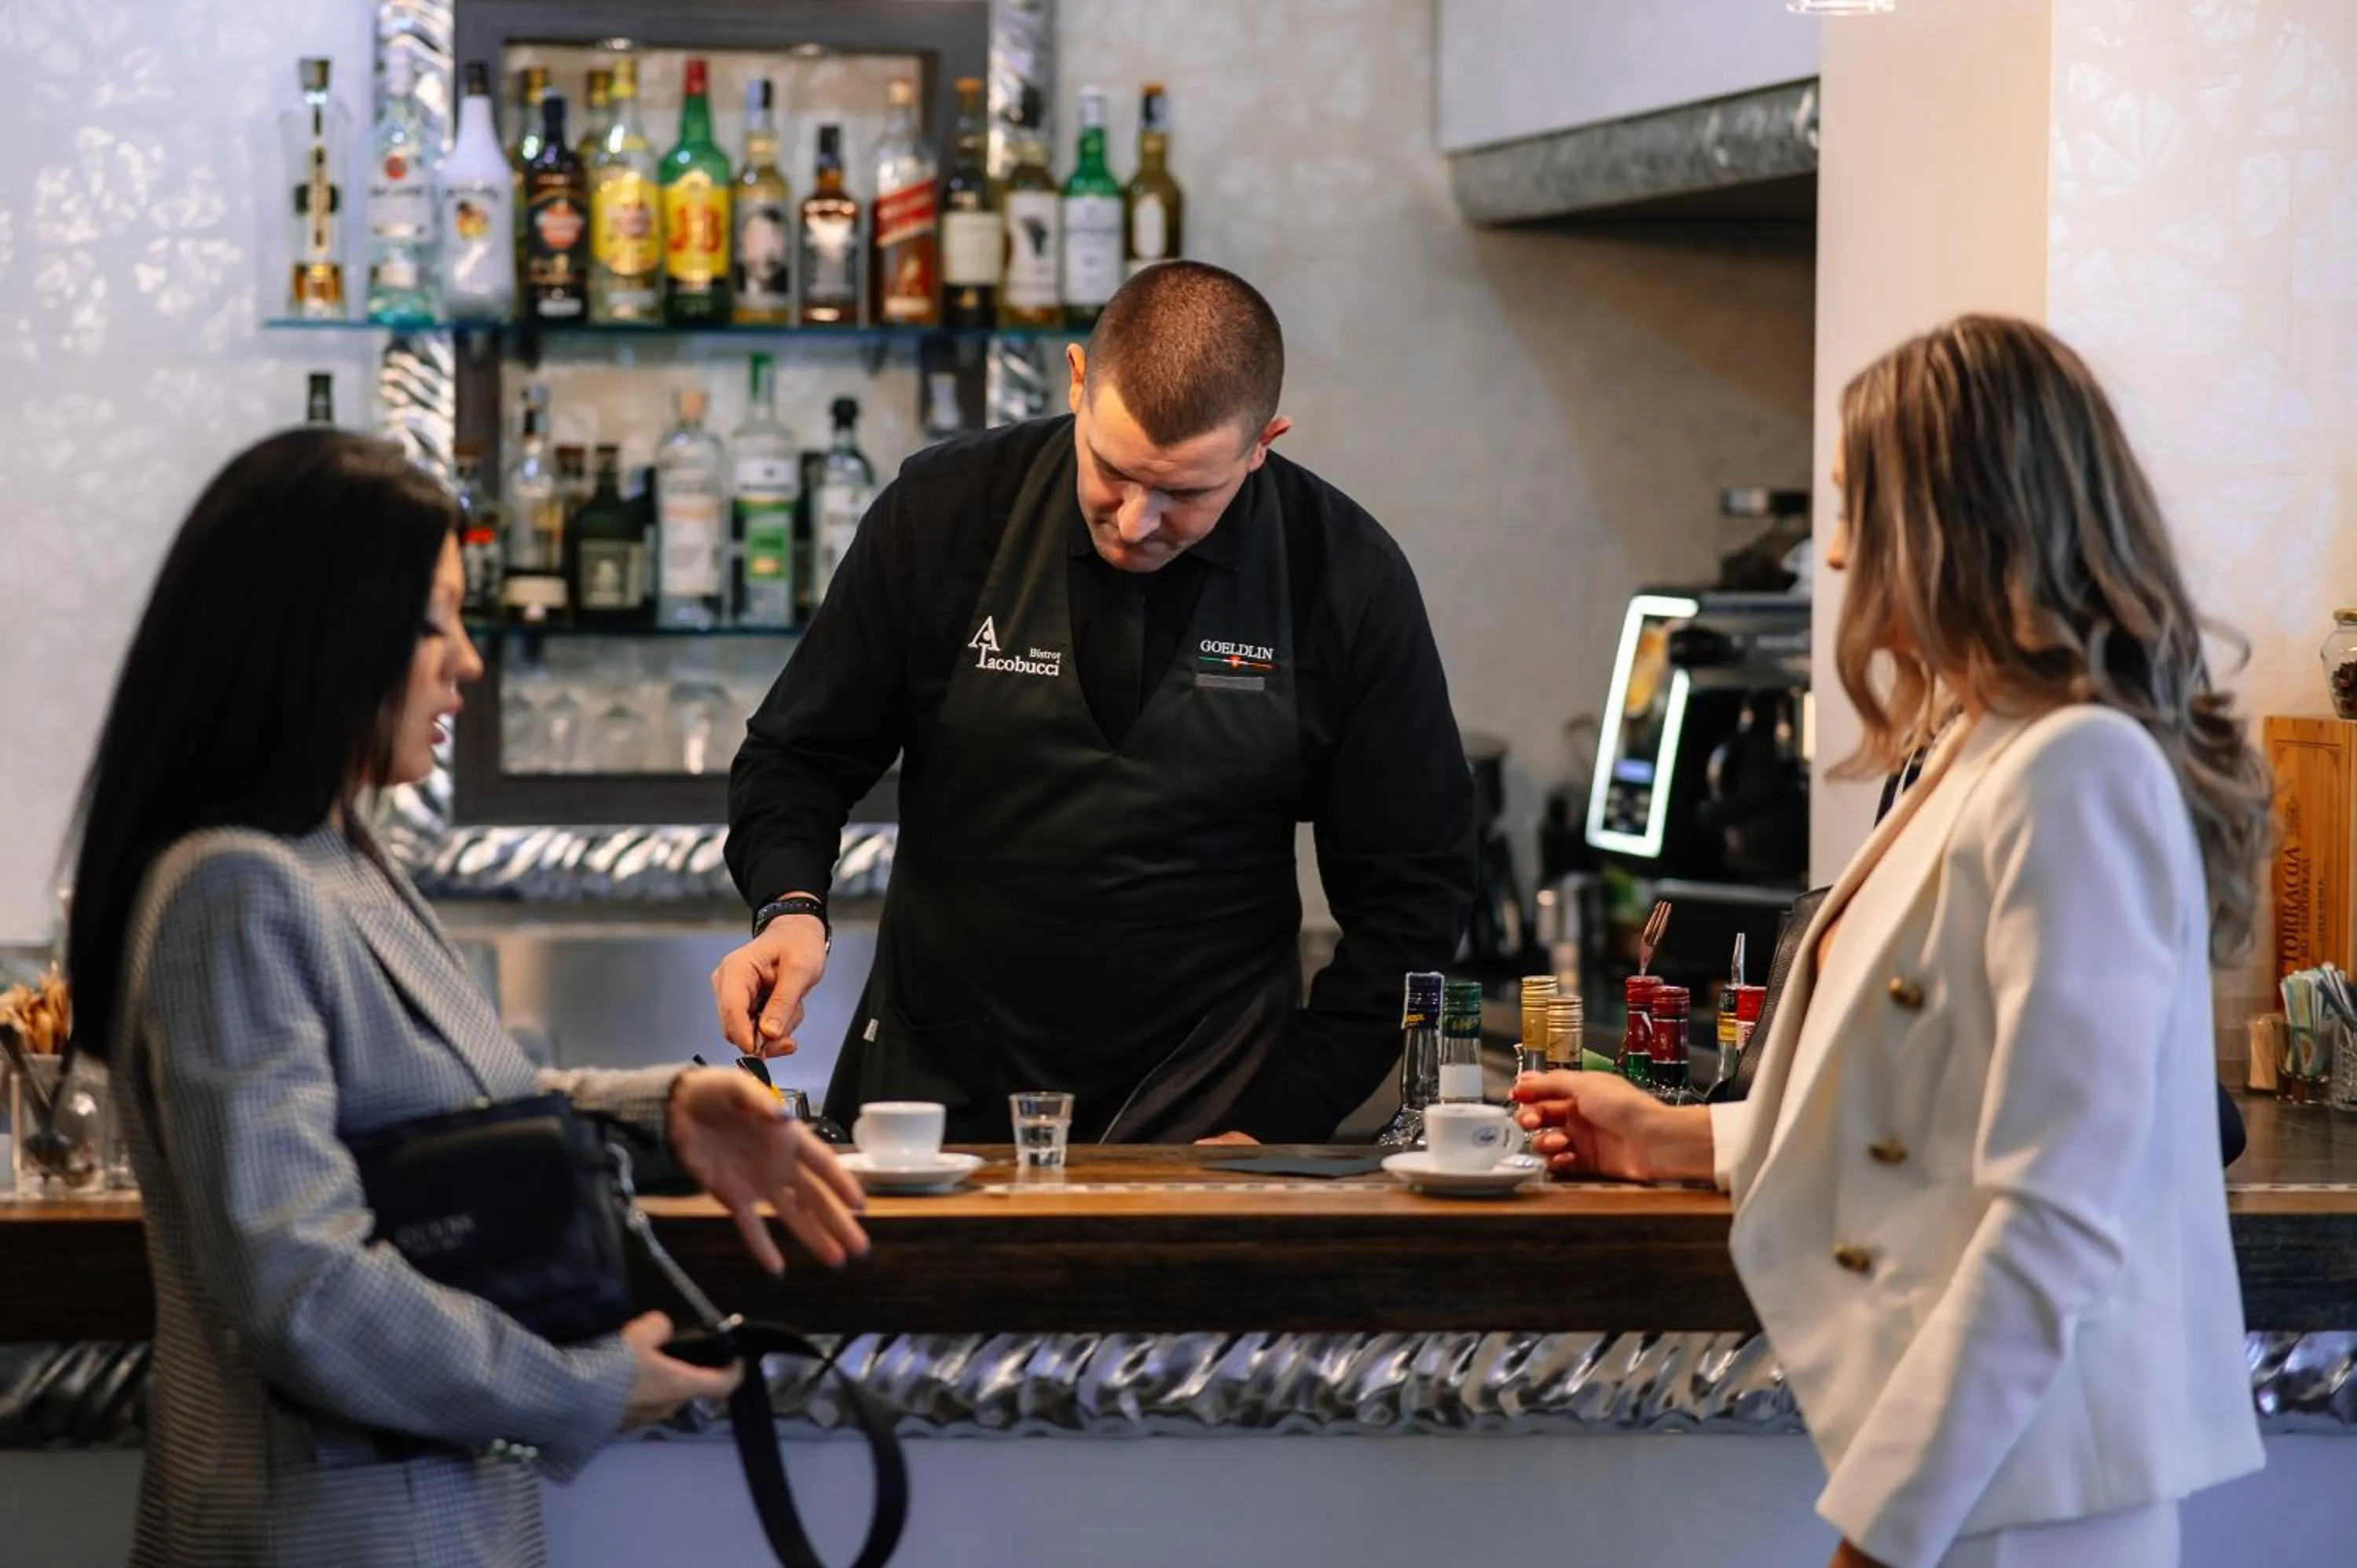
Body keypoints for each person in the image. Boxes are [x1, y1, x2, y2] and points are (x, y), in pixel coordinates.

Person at [1513, 314, 2268, 1568]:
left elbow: (2053, 1217)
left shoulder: (2075, 770)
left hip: (2030, 1492)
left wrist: (1884, 1532)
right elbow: (1937, 1111)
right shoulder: (1977, 743)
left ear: (1953, 521)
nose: (1840, 551)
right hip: (1978, 1482)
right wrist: (1682, 1137)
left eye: (1858, 507)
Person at [64, 429, 871, 1567]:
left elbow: (430, 1110)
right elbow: (302, 1289)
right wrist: (578, 1387)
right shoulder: (235, 889)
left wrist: (669, 1110)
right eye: (437, 619)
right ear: (322, 632)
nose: (469, 662)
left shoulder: (334, 853)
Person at [714, 261, 1476, 1145]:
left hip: (1213, 1108)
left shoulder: (1344, 577)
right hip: (935, 1101)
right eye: (1112, 471)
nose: (1136, 521)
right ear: (1077, 381)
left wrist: (1287, 1110)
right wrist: (790, 907)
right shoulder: (946, 513)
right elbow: (796, 757)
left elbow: (1415, 893)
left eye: (1188, 494)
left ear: (1263, 441)